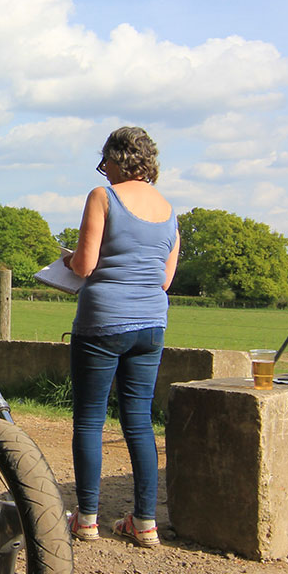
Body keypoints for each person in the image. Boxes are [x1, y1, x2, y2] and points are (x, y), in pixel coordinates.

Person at [63, 126, 179, 547]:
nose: (104, 170)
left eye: (105, 162)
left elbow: (84, 266)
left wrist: (67, 260)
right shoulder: (169, 210)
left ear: (116, 159)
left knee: (90, 419)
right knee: (139, 421)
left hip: (104, 321)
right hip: (151, 325)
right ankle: (145, 523)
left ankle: (87, 519)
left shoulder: (103, 197)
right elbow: (165, 280)